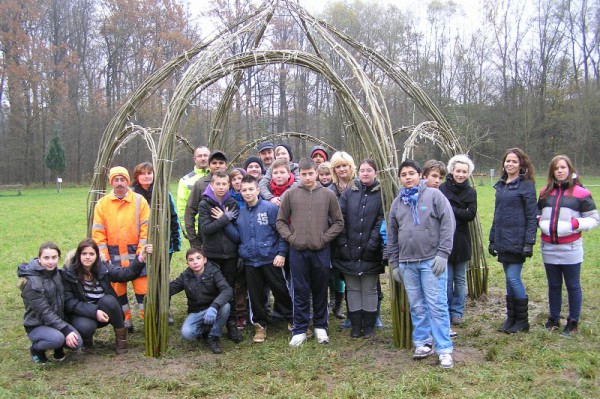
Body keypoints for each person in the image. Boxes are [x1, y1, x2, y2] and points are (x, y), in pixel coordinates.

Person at [388, 159, 456, 369]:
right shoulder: (398, 202)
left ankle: (444, 348)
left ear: (420, 175)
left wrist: (443, 254)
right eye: (404, 174)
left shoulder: (434, 196)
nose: (408, 177)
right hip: (408, 263)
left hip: (430, 261)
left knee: (437, 305)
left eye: (411, 173)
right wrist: (394, 262)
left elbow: (448, 223)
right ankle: (423, 342)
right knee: (417, 305)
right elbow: (392, 234)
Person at [277, 158, 344, 347]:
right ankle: (299, 328)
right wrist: (291, 238)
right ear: (299, 174)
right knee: (300, 290)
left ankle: (321, 326)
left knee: (321, 288)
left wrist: (324, 238)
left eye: (310, 173)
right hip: (297, 251)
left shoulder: (328, 195)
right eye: (303, 174)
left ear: (316, 172)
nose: (307, 177)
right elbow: (280, 221)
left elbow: (339, 222)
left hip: (320, 250)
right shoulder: (290, 194)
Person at [538, 155, 599, 336]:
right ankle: (554, 318)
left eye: (563, 167)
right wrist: (540, 221)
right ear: (552, 172)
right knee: (553, 285)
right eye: (556, 168)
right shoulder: (544, 192)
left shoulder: (581, 193)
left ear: (570, 169)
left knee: (573, 285)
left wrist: (573, 225)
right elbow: (537, 213)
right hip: (549, 247)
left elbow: (594, 219)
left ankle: (573, 321)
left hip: (571, 248)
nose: (560, 171)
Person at [228, 175, 293, 343]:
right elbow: (237, 236)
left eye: (251, 189)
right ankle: (260, 325)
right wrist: (225, 222)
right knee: (255, 295)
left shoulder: (270, 209)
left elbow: (281, 232)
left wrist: (281, 253)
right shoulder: (240, 214)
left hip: (271, 259)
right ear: (240, 192)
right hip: (250, 261)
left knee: (281, 290)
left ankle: (293, 320)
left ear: (258, 190)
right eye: (244, 190)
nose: (248, 193)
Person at [62, 239, 152, 354]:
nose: (87, 257)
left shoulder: (103, 267)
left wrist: (141, 258)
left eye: (91, 254)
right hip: (84, 313)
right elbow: (70, 303)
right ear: (78, 255)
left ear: (97, 256)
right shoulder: (69, 273)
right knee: (85, 328)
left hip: (106, 312)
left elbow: (124, 274)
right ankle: (87, 341)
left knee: (108, 301)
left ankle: (121, 341)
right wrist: (95, 312)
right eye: (84, 254)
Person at [92, 166, 150, 332]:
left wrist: (142, 252)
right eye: (116, 180)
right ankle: (125, 322)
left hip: (137, 255)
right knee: (118, 293)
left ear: (127, 181)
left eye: (122, 179)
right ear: (111, 182)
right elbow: (98, 233)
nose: (119, 183)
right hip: (113, 256)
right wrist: (103, 257)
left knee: (143, 291)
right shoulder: (102, 204)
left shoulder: (139, 201)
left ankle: (147, 320)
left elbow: (146, 228)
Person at [334, 159, 384, 339]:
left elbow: (381, 221)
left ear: (375, 172)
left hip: (371, 250)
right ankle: (356, 325)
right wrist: (343, 245)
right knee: (353, 288)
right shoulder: (349, 193)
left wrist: (372, 243)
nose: (365, 173)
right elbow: (340, 218)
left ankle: (369, 326)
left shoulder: (382, 195)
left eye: (369, 170)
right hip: (348, 250)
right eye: (362, 170)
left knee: (369, 288)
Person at [489, 148, 537, 334]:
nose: (510, 164)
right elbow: (497, 214)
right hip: (502, 239)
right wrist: (492, 239)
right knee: (508, 281)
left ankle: (523, 321)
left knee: (513, 278)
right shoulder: (501, 184)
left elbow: (532, 216)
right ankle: (511, 318)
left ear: (521, 165)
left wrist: (529, 242)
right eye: (507, 161)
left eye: (514, 162)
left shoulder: (526, 185)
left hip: (517, 240)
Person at [18, 242, 83, 364]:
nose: (50, 261)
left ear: (58, 258)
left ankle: (58, 348)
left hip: (56, 321)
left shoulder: (57, 273)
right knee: (57, 339)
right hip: (37, 324)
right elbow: (44, 312)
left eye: (54, 257)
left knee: (77, 343)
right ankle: (36, 349)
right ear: (39, 258)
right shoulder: (32, 282)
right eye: (46, 258)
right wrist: (65, 330)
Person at [197, 170, 243, 343]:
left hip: (230, 255)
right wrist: (225, 220)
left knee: (229, 289)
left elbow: (237, 234)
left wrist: (222, 220)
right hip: (213, 254)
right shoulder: (204, 204)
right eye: (218, 184)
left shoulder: (232, 203)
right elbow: (206, 230)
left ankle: (231, 324)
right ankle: (210, 325)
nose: (221, 187)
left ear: (229, 185)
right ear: (212, 184)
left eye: (225, 184)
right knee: (213, 288)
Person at [169, 247, 233, 354]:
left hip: (213, 308)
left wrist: (214, 306)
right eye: (191, 260)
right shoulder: (186, 275)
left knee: (226, 306)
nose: (195, 262)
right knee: (186, 333)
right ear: (187, 263)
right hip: (196, 311)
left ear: (204, 260)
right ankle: (205, 331)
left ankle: (214, 336)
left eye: (198, 258)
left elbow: (227, 290)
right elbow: (171, 288)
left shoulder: (213, 271)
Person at [439, 155, 478, 329]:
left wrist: (450, 210)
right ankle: (445, 311)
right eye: (458, 171)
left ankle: (457, 312)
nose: (461, 174)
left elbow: (471, 215)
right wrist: (458, 211)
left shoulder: (471, 192)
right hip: (445, 239)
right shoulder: (442, 189)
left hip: (462, 239)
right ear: (452, 171)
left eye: (464, 171)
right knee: (446, 279)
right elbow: (439, 212)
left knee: (460, 279)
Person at [131, 162, 181, 260]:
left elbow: (173, 218)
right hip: (138, 242)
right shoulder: (131, 195)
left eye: (149, 173)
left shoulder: (164, 194)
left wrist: (175, 242)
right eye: (143, 173)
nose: (147, 176)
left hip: (163, 241)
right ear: (137, 176)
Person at [329, 151, 357, 323]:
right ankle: (338, 304)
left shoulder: (359, 186)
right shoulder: (330, 190)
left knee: (353, 275)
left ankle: (355, 309)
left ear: (351, 166)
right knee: (338, 273)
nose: (341, 169)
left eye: (344, 165)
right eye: (337, 166)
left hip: (355, 235)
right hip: (336, 236)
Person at [184, 150, 229, 249]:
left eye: (221, 163)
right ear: (209, 165)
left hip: (230, 240)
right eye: (214, 163)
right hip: (207, 240)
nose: (218, 166)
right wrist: (193, 240)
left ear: (226, 165)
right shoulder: (200, 184)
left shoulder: (232, 183)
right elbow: (189, 212)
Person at [177, 146, 210, 230]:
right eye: (200, 156)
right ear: (194, 159)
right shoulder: (185, 180)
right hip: (196, 230)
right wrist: (186, 229)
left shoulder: (218, 177)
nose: (203, 158)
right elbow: (182, 207)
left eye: (205, 155)